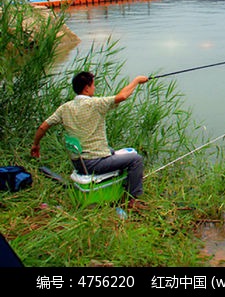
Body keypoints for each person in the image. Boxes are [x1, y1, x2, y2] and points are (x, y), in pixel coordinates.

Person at [31, 71, 149, 210]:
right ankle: (132, 200)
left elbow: (43, 127)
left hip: (78, 163)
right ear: (86, 88)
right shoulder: (95, 104)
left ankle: (122, 184)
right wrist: (136, 81)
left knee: (111, 151)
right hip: (94, 164)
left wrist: (35, 145)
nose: (95, 88)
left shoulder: (65, 108)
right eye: (93, 85)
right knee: (136, 159)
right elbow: (122, 96)